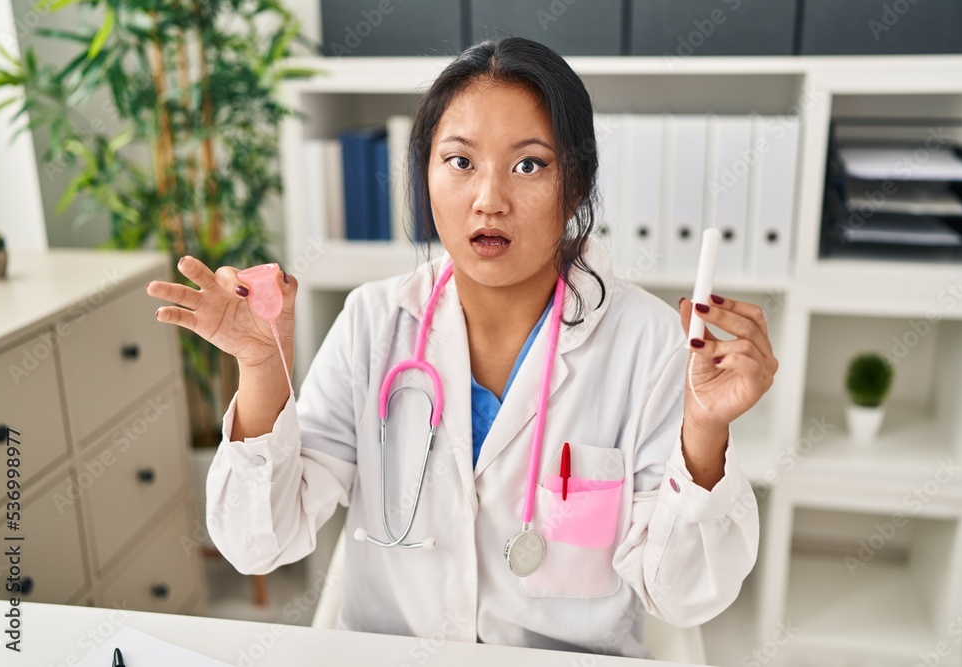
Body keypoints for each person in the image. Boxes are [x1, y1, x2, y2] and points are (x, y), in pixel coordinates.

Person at [146, 36, 776, 658]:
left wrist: (704, 435)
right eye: (460, 161)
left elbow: (685, 596)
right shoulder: (373, 322)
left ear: (577, 185)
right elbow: (261, 544)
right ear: (426, 175)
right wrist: (260, 367)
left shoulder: (648, 343)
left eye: (529, 164)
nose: (488, 201)